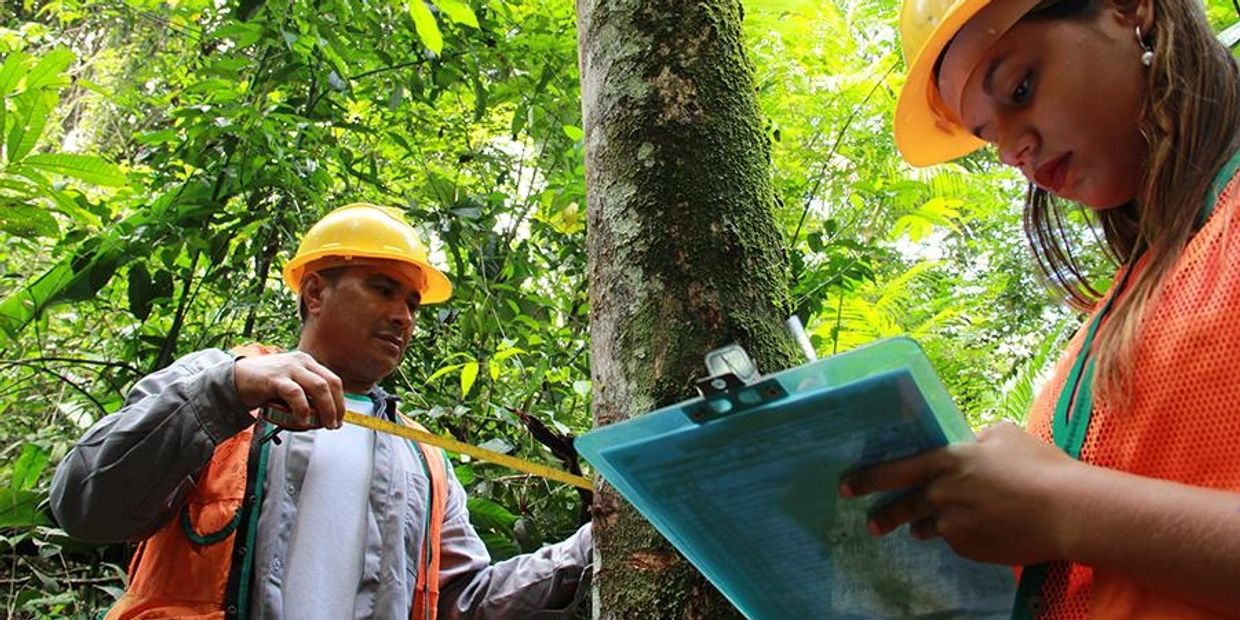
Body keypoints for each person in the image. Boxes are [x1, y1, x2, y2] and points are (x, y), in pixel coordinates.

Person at [838, 0, 1240, 617]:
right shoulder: (1110, 319)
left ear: (1129, 10)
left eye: (1020, 87)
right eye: (988, 137)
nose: (1012, 151)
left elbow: (1077, 515)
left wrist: (1062, 507)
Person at [50, 203, 592, 620]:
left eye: (411, 303)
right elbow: (85, 505)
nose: (403, 316)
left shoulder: (424, 456)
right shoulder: (217, 380)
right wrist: (227, 392)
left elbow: (460, 601)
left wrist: (585, 550)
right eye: (382, 289)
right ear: (314, 293)